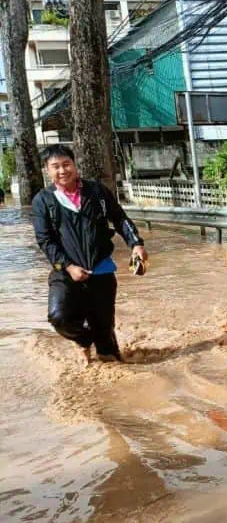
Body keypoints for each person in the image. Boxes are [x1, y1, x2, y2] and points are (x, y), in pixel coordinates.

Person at [31, 144, 147, 363]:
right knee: (59, 317)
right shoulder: (42, 201)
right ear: (48, 170)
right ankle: (83, 340)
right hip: (65, 272)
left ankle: (106, 354)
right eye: (55, 166)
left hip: (101, 270)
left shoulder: (97, 192)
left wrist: (136, 244)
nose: (62, 171)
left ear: (75, 165)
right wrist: (68, 266)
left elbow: (120, 219)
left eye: (66, 164)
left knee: (108, 351)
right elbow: (45, 240)